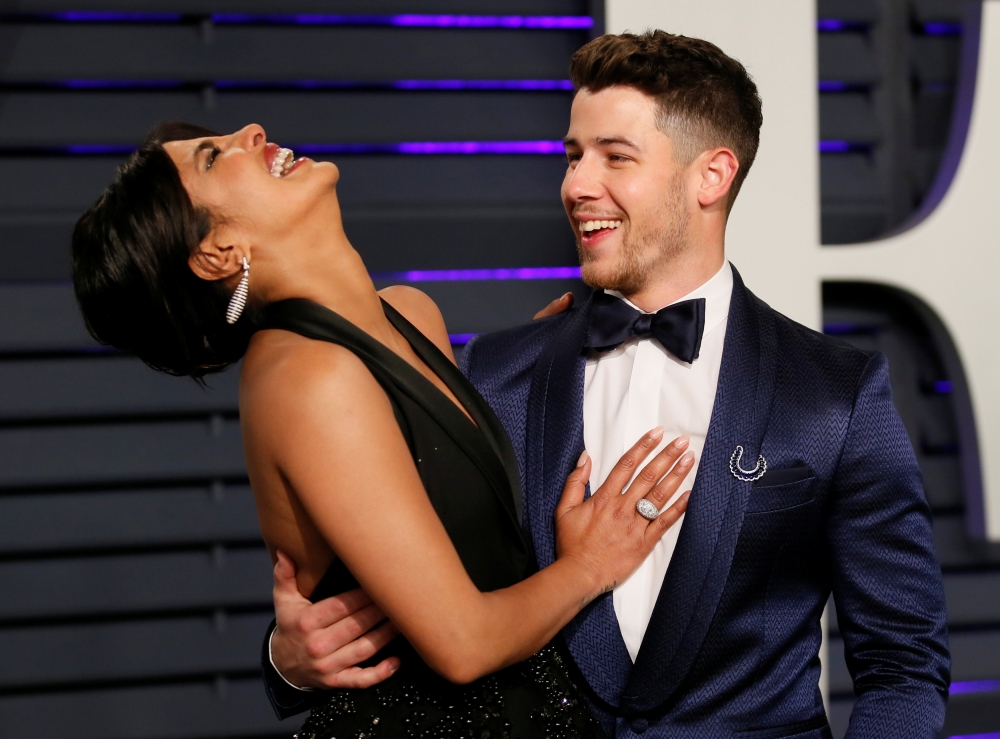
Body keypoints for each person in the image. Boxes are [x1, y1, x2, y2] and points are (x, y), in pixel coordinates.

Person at [265, 31, 951, 738]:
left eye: (614, 157)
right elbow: (415, 596)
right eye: (572, 155)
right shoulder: (496, 374)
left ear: (711, 176)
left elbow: (903, 664)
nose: (575, 185)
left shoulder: (837, 391)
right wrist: (288, 659)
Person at [70, 118, 698, 738]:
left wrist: (548, 360)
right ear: (218, 254)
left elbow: (472, 520)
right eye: (213, 157)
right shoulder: (306, 377)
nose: (252, 131)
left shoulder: (411, 314)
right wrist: (590, 565)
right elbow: (462, 643)